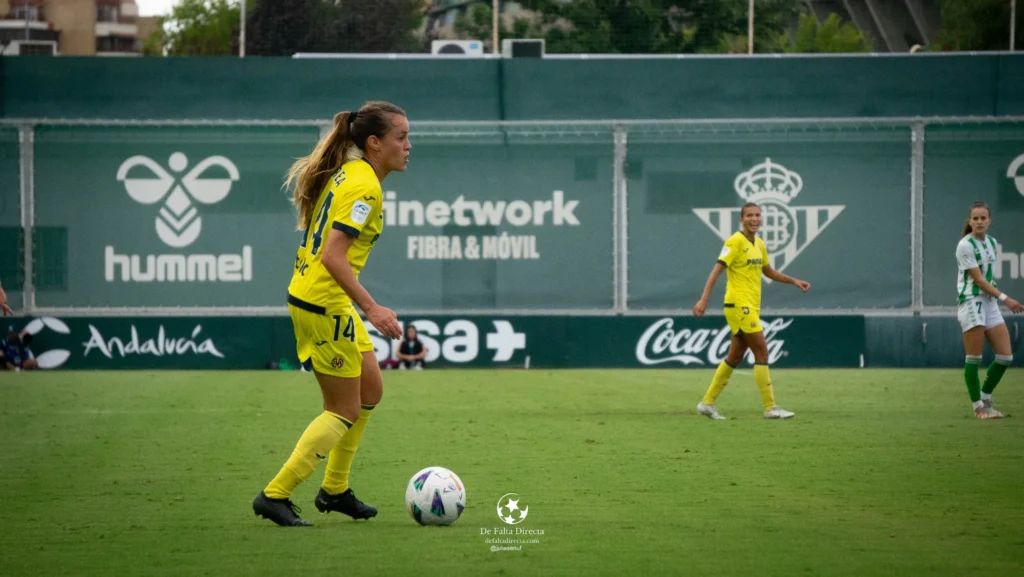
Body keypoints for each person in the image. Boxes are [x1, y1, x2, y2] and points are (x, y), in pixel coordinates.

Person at [253, 101, 409, 527]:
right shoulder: (365, 187)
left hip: (324, 300)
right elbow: (333, 257)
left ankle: (335, 488)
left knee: (369, 392)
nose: (409, 146)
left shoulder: (353, 173)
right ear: (374, 143)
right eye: (401, 137)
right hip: (323, 303)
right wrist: (373, 308)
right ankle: (276, 494)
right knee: (342, 410)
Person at [692, 203, 810, 420]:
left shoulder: (759, 244)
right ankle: (770, 407)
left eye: (757, 215)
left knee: (735, 356)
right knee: (762, 351)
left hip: (751, 306)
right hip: (739, 305)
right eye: (750, 215)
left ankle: (707, 403)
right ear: (742, 219)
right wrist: (704, 299)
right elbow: (716, 270)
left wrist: (794, 280)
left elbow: (769, 271)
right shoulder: (734, 241)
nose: (754, 219)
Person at [955, 201, 1023, 419]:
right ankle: (978, 407)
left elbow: (990, 278)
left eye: (983, 218)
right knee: (973, 357)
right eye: (975, 218)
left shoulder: (993, 243)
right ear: (970, 221)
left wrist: (997, 300)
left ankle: (985, 398)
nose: (979, 222)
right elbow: (979, 280)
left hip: (989, 302)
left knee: (1005, 357)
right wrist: (1006, 299)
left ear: (989, 220)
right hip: (972, 300)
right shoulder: (965, 245)